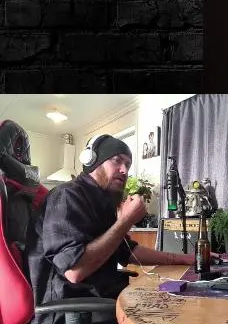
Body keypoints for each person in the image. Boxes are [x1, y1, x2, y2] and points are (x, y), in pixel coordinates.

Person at [29, 135, 196, 324]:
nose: (124, 170)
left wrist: (184, 259)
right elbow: (75, 271)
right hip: (71, 314)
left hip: (104, 303)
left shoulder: (103, 202)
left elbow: (126, 250)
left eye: (128, 165)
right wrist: (125, 221)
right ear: (93, 161)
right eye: (117, 160)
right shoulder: (66, 196)